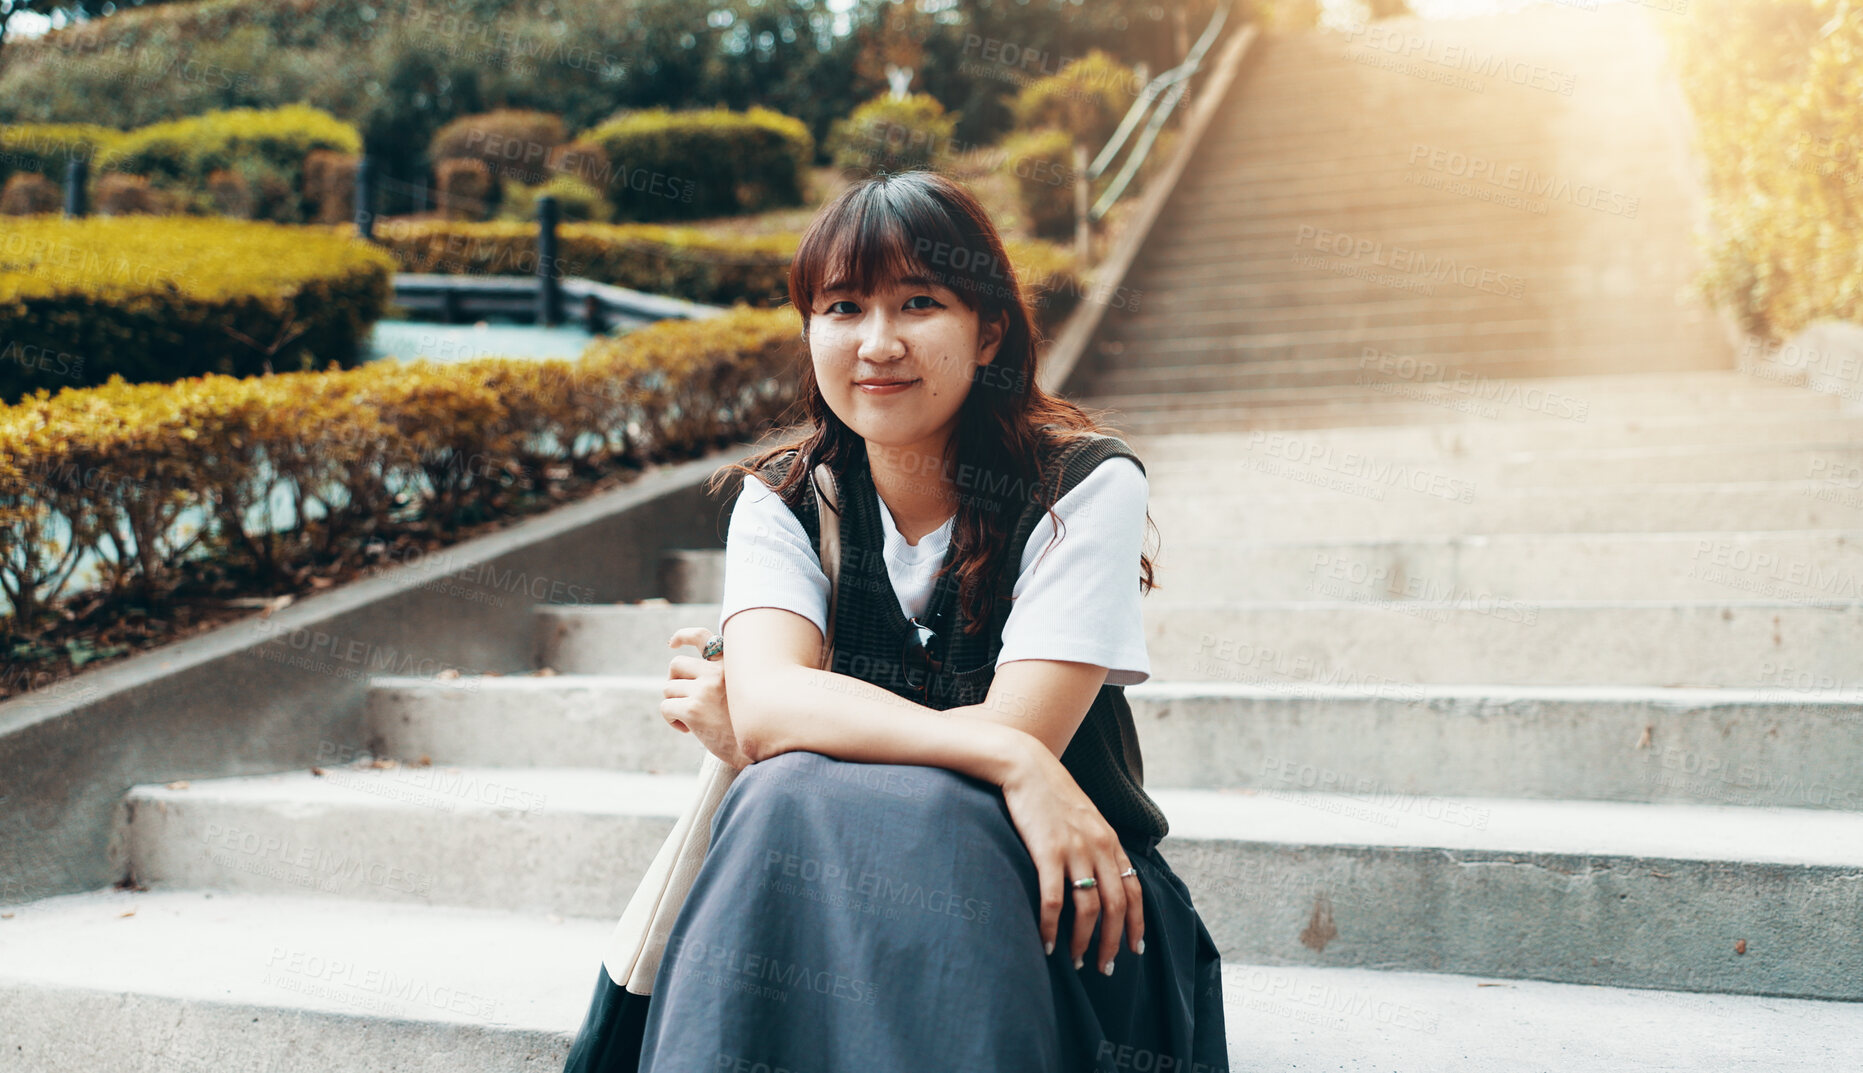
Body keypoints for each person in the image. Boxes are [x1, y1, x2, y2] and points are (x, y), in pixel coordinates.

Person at [561, 169, 1228, 1073]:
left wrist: (800, 717)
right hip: (835, 893)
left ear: (989, 330)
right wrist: (1001, 754)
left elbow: (1001, 730)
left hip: (1060, 906)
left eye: (918, 302)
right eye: (842, 307)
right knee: (781, 788)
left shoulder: (1081, 485)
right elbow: (782, 713)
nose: (877, 343)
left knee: (795, 783)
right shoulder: (784, 501)